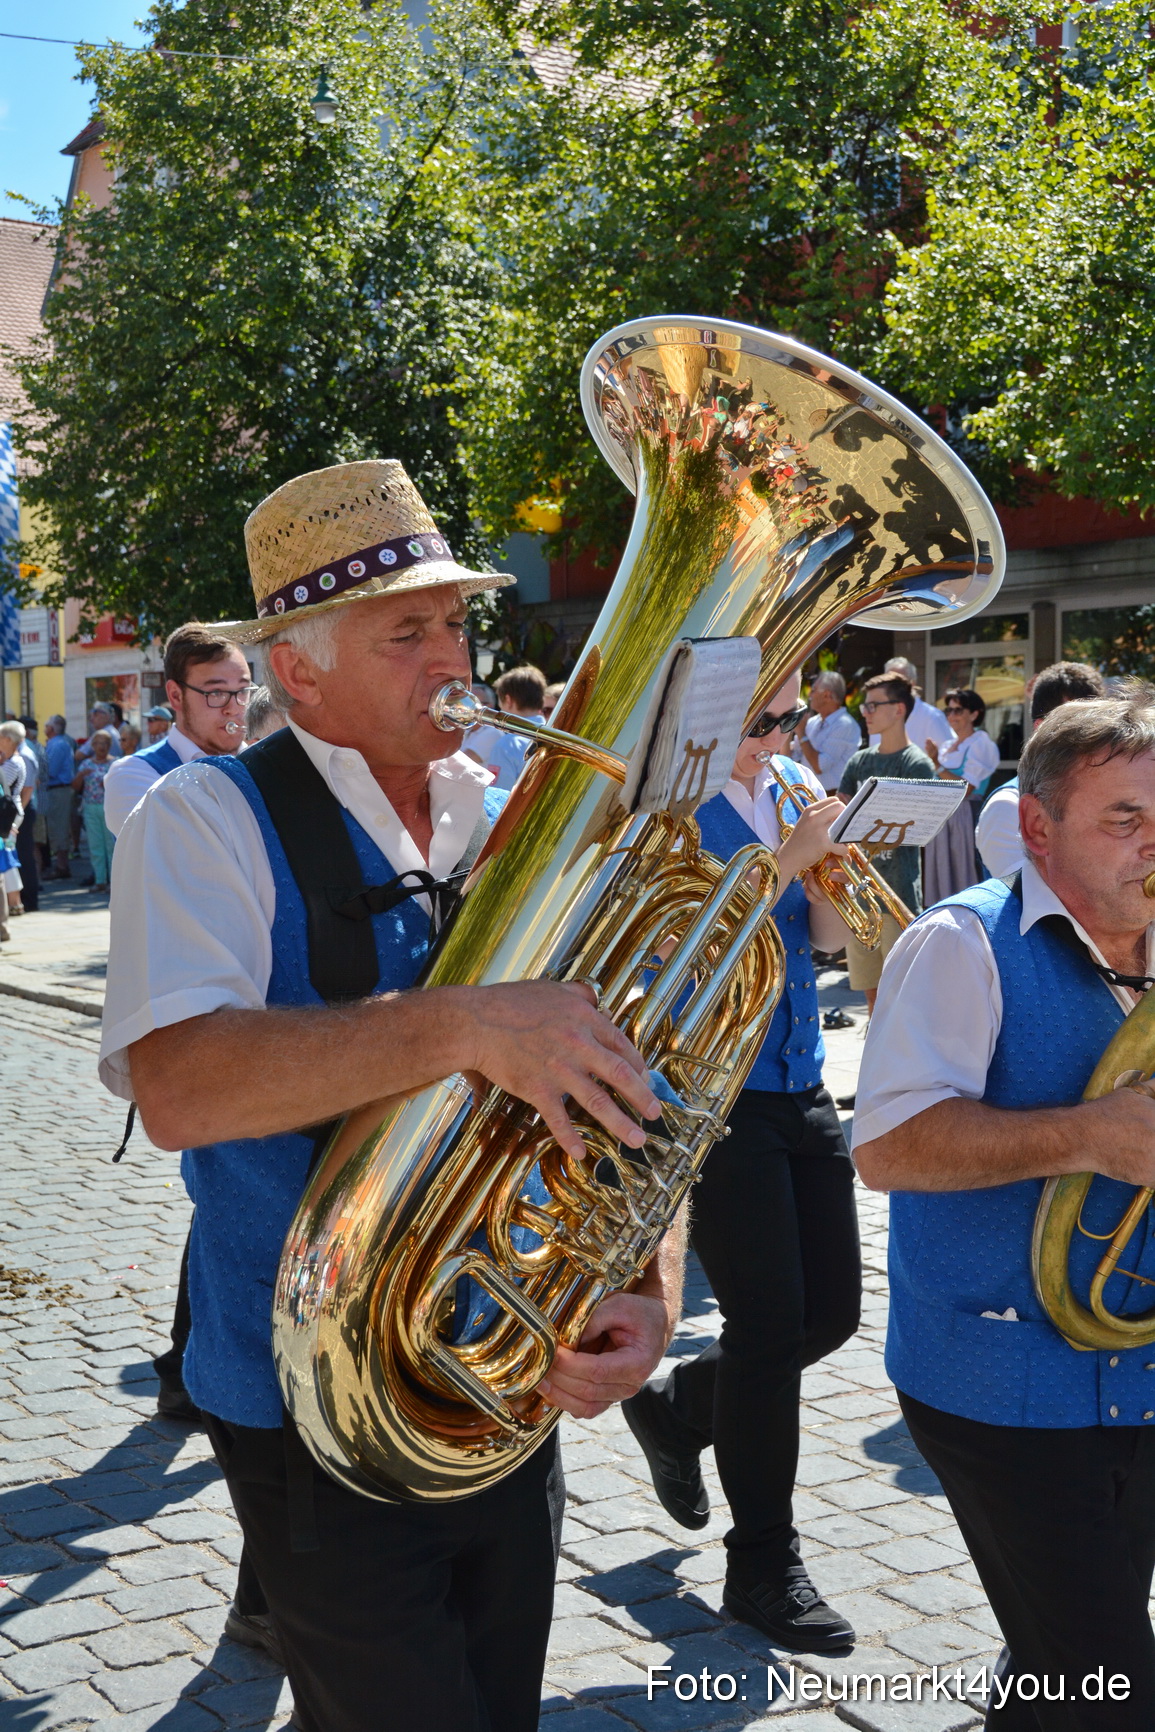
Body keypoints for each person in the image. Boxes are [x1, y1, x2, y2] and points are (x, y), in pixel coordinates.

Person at [98, 459, 679, 1732]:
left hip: (504, 1378)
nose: (451, 656)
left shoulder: (506, 809)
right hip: (314, 1400)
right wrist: (464, 1024)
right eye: (406, 632)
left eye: (456, 622)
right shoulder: (202, 818)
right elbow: (179, 1086)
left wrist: (646, 1280)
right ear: (298, 673)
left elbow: (622, 1071)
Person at [853, 692, 1155, 1731]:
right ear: (1037, 827)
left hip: (1137, 1365)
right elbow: (887, 1147)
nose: (1152, 844)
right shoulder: (961, 943)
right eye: (1124, 818)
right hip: (1001, 1381)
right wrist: (1088, 1135)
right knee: (1110, 1684)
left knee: (1063, 1661)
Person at [623, 670, 862, 1653]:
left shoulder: (792, 788)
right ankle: (762, 1561)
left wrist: (830, 875)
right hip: (715, 1092)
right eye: (766, 717)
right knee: (766, 1326)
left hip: (800, 1074)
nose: (783, 734)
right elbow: (676, 954)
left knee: (829, 1314)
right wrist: (782, 860)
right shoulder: (670, 807)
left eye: (794, 716)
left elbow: (824, 940)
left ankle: (681, 1407)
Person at [838, 672, 935, 1017]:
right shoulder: (858, 761)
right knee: (872, 997)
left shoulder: (917, 764)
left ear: (898, 709)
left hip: (898, 892)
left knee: (901, 999)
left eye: (873, 705)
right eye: (865, 706)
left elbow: (922, 827)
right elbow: (841, 823)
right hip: (859, 896)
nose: (866, 712)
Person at [103, 625, 250, 838]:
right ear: (176, 696)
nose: (235, 708)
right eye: (216, 692)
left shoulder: (260, 760)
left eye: (243, 690)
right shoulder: (131, 775)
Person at [976, 662, 1106, 880]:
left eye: (1098, 726)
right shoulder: (1006, 807)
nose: (1092, 739)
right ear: (1041, 727)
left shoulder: (1104, 794)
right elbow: (1031, 892)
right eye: (1078, 727)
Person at [922, 687, 1002, 903]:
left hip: (964, 815)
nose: (952, 716)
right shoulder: (948, 745)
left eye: (958, 710)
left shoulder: (981, 743)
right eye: (949, 710)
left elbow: (966, 788)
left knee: (963, 868)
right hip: (942, 816)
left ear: (974, 714)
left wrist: (936, 764)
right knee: (941, 872)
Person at [463, 663, 547, 790]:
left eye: (500, 703)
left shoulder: (507, 745)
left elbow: (499, 796)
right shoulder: (559, 735)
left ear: (508, 700)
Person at [868, 656, 954, 763]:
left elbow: (950, 758)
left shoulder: (932, 717)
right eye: (888, 683)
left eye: (898, 683)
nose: (892, 688)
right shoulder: (877, 718)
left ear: (912, 684)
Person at [800, 670, 862, 794]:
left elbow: (819, 766)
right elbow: (790, 756)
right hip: (806, 794)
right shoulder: (812, 722)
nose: (810, 695)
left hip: (831, 797)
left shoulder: (845, 725)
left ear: (827, 695)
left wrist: (801, 732)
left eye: (813, 690)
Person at [72, 730, 115, 892]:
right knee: (96, 845)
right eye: (97, 743)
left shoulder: (115, 763)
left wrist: (109, 784)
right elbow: (75, 787)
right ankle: (100, 880)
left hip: (109, 808)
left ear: (109, 745)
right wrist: (81, 775)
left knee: (111, 846)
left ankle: (113, 882)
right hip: (90, 807)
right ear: (93, 746)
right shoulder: (86, 764)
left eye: (104, 743)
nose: (101, 747)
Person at [0, 721, 28, 935]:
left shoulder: (13, 763)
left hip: (7, 817)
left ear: (8, 740)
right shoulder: (11, 761)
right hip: (9, 816)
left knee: (6, 861)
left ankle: (14, 902)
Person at [42, 716, 77, 880]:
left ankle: (62, 866)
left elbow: (51, 770)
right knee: (58, 826)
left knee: (59, 827)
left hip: (59, 790)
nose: (44, 728)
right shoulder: (59, 743)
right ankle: (61, 865)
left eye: (46, 725)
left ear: (52, 728)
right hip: (58, 790)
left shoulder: (57, 745)